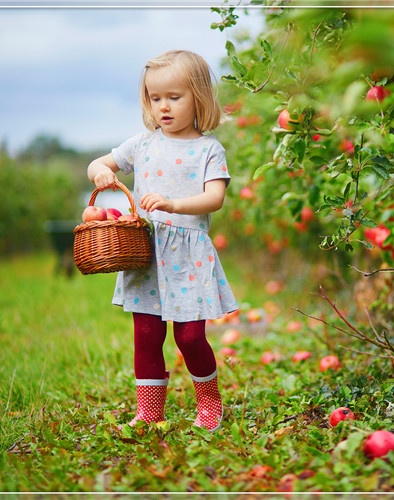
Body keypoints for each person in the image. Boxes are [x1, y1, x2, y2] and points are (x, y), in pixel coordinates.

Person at [86, 50, 238, 432]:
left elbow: (215, 198)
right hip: (147, 252)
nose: (164, 107)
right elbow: (100, 163)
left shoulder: (208, 149)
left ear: (198, 98)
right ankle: (150, 411)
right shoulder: (142, 144)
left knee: (189, 336)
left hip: (188, 254)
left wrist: (174, 204)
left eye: (175, 97)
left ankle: (209, 401)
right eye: (156, 99)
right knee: (147, 334)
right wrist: (100, 173)